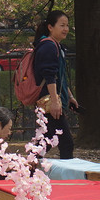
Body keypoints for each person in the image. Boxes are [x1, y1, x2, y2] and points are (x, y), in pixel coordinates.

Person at [32, 10, 78, 159]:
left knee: (46, 140)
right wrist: (54, 101)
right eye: (62, 25)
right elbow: (49, 76)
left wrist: (69, 96)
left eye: (67, 25)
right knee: (66, 143)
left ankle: (26, 171)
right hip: (49, 102)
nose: (65, 29)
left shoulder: (57, 46)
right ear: (50, 27)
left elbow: (60, 77)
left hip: (52, 101)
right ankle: (68, 180)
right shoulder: (48, 46)